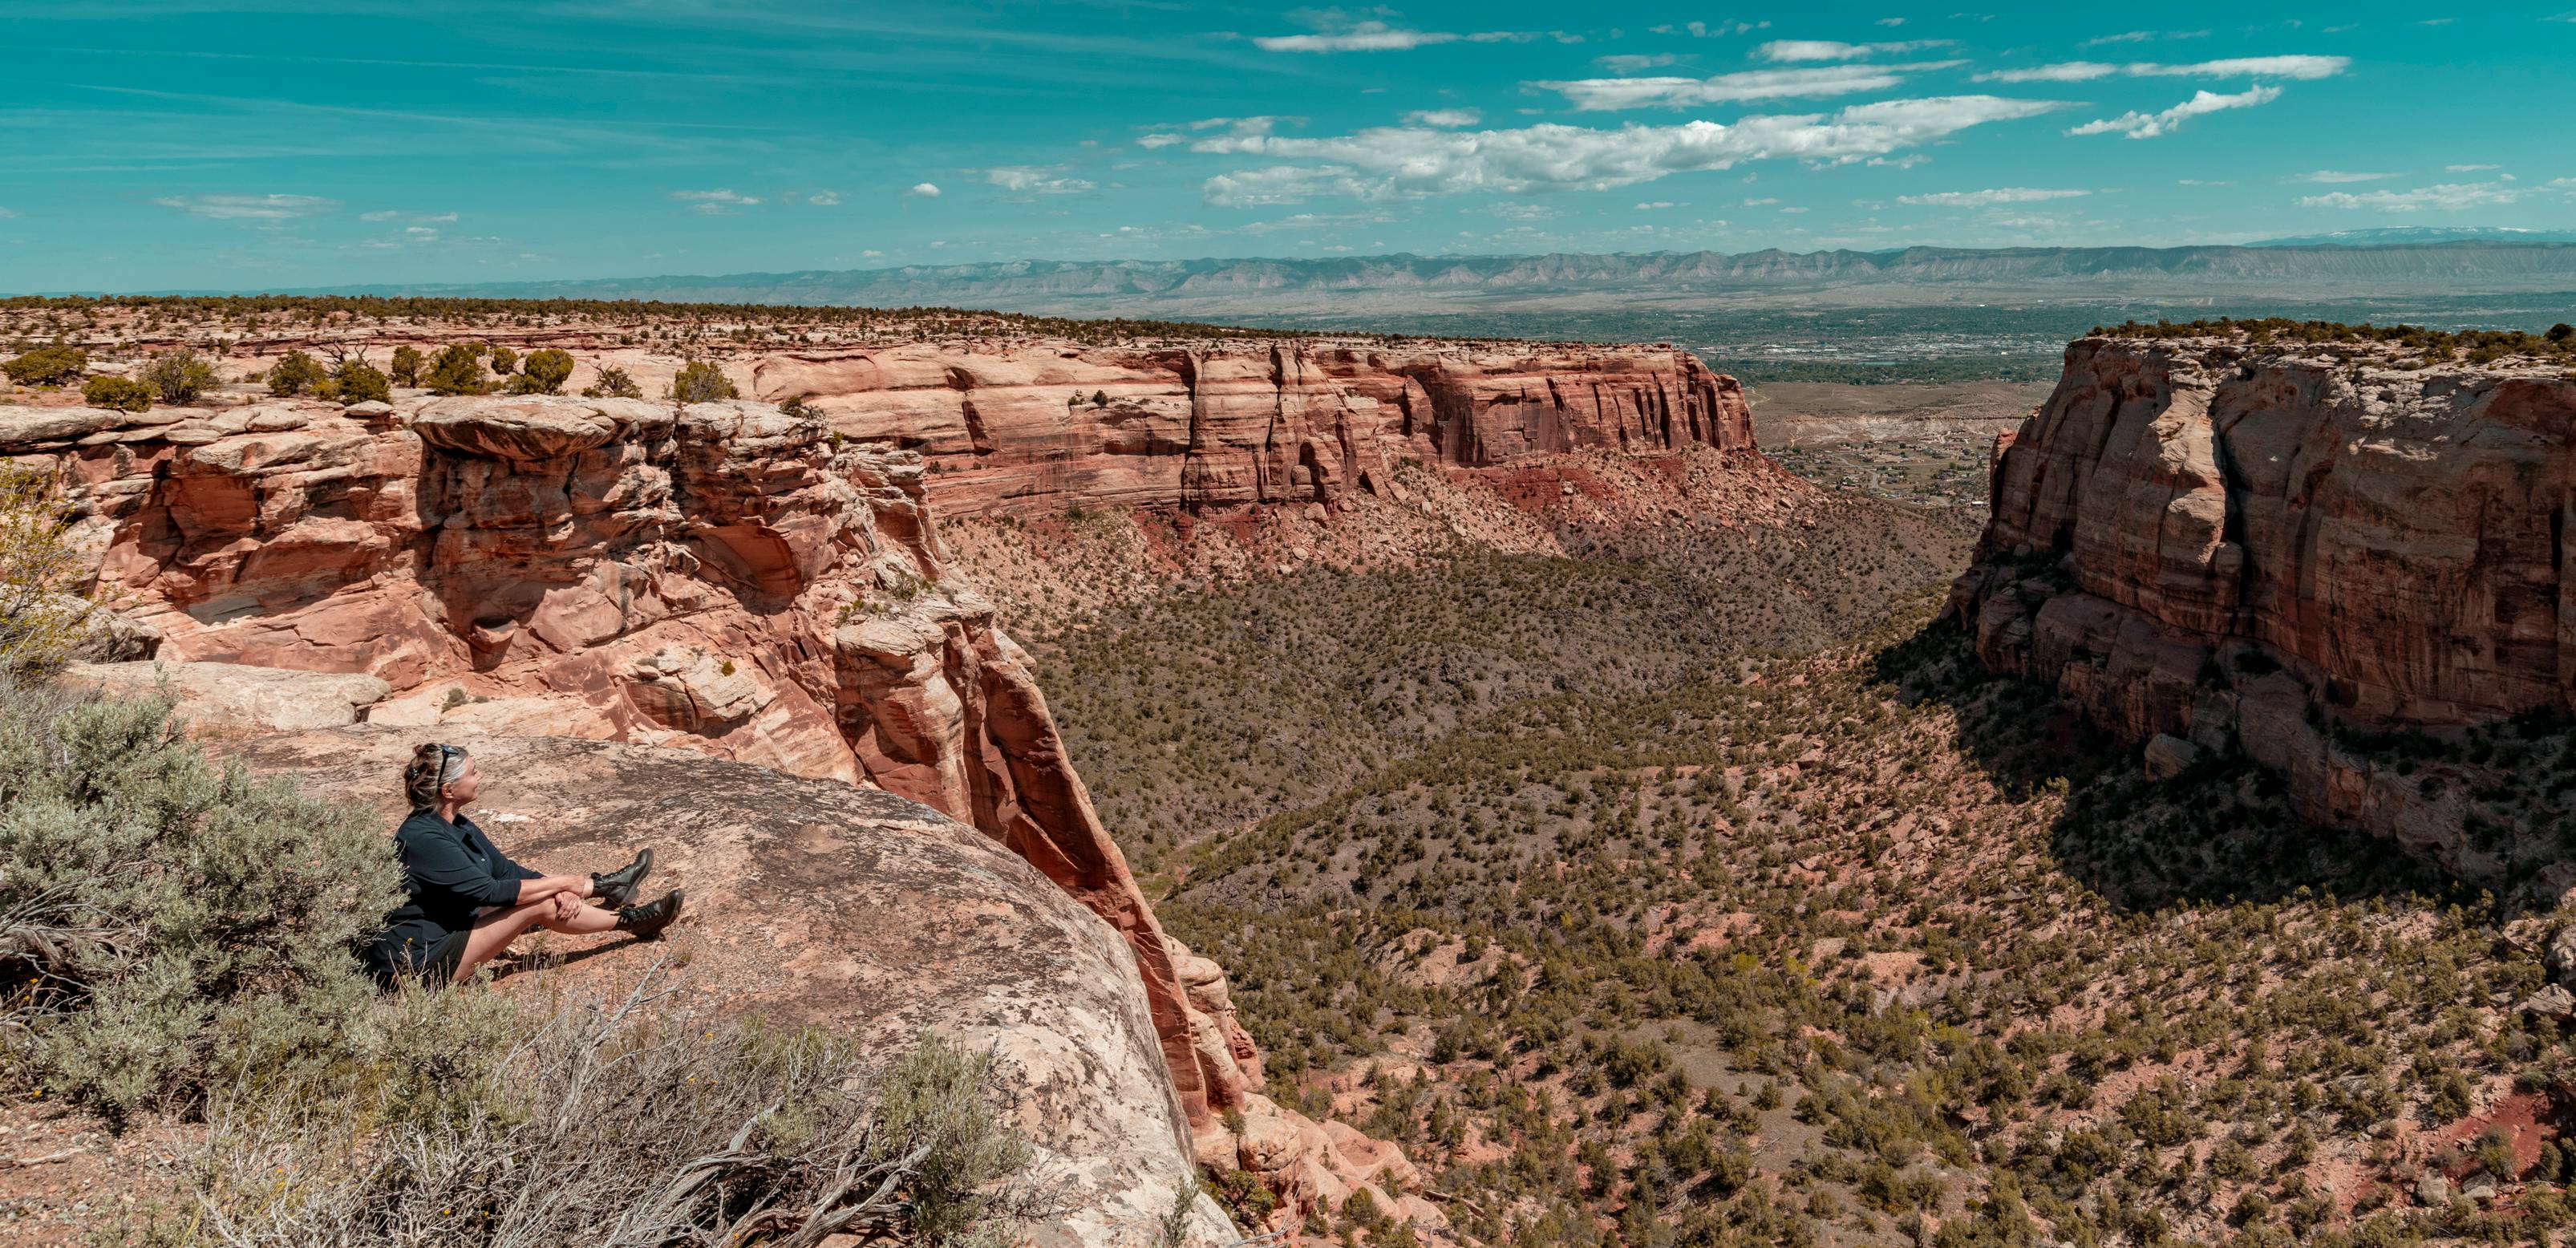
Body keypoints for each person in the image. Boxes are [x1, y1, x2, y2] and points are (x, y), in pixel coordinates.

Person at [367, 742, 683, 987]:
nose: (480, 777)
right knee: (538, 906)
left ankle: (604, 887)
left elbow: (505, 871)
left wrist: (567, 888)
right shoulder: (424, 838)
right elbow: (490, 892)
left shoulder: (455, 823)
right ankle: (635, 921)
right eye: (473, 773)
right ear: (448, 790)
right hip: (418, 962)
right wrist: (560, 885)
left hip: (450, 925)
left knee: (540, 894)